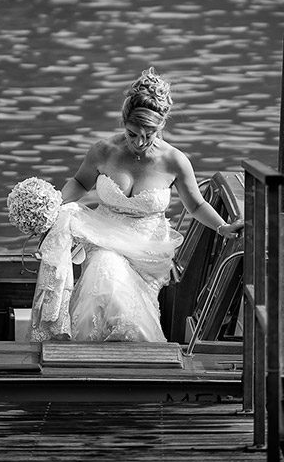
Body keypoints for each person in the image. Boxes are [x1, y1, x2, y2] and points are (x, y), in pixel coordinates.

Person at [30, 67, 244, 342]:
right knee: (105, 271)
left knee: (124, 301)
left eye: (149, 134)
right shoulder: (103, 150)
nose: (140, 142)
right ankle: (92, 355)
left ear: (162, 126)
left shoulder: (175, 160)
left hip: (146, 251)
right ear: (123, 122)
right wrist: (52, 206)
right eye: (133, 134)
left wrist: (223, 227)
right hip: (103, 237)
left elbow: (196, 205)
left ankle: (137, 352)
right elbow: (81, 184)